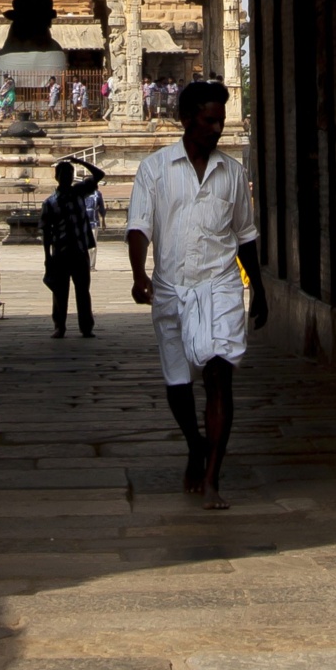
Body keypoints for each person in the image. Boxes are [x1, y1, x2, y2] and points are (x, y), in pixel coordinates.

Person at [128, 79, 267, 507]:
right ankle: (194, 443)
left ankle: (212, 478)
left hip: (221, 284)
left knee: (219, 374)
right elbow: (138, 227)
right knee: (178, 379)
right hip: (171, 286)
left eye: (220, 121)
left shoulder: (233, 172)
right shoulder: (154, 170)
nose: (216, 129)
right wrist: (138, 275)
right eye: (208, 120)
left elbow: (245, 236)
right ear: (186, 120)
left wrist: (258, 289)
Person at [41, 156, 104, 336]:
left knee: (83, 291)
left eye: (70, 174)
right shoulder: (50, 203)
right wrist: (47, 257)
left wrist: (80, 162)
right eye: (64, 174)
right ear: (57, 177)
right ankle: (59, 326)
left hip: (79, 249)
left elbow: (99, 174)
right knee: (60, 293)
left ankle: (86, 327)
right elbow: (46, 232)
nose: (67, 177)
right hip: (60, 252)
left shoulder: (79, 191)